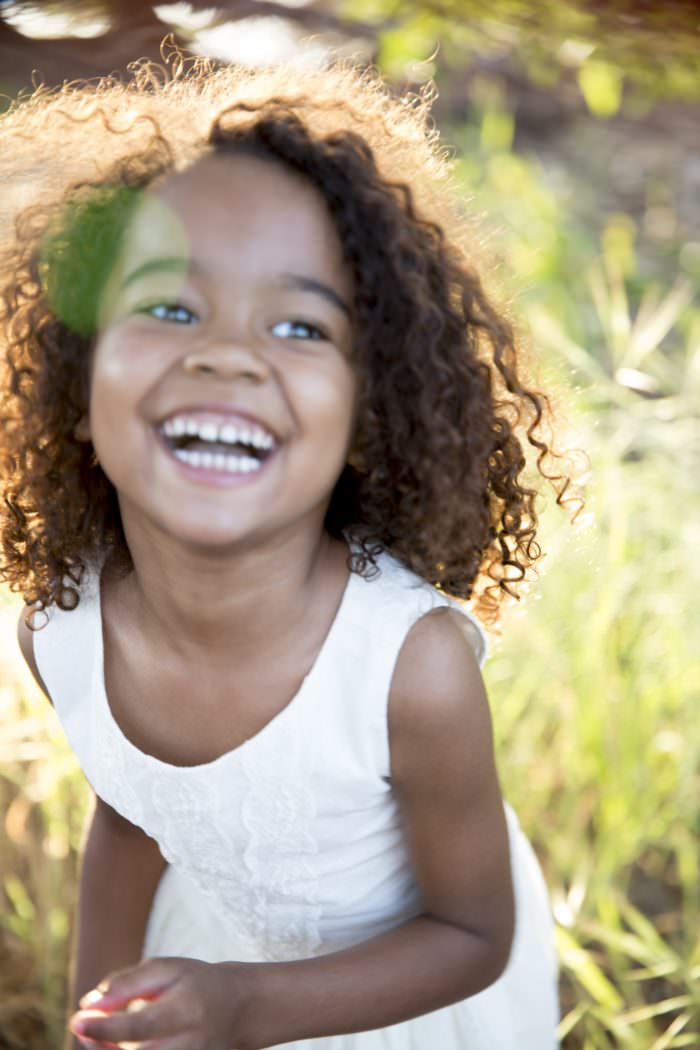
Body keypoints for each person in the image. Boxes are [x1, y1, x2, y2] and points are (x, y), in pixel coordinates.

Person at [0, 50, 581, 1050]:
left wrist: (242, 1007)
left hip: (406, 1007)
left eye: (301, 327)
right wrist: (90, 1014)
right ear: (78, 388)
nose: (228, 355)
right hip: (213, 962)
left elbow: (474, 935)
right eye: (169, 307)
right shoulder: (60, 629)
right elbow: (134, 813)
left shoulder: (410, 668)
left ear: (366, 416)